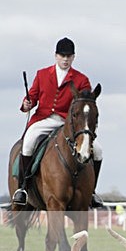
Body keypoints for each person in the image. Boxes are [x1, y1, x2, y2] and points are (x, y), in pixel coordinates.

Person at [13, 37, 104, 208]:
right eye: (62, 56)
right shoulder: (42, 74)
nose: (65, 59)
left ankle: (91, 192)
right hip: (44, 119)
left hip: (68, 124)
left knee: (98, 150)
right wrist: (27, 103)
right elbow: (32, 96)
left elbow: (85, 103)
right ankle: (23, 189)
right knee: (28, 143)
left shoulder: (81, 79)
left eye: (69, 56)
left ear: (73, 57)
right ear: (56, 56)